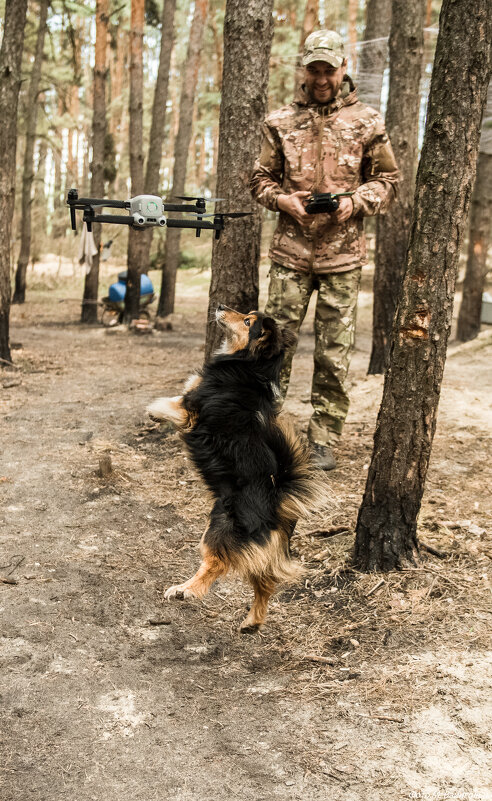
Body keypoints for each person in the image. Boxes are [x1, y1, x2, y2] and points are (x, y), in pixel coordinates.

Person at [250, 30, 399, 470]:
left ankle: (322, 439)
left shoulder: (367, 121)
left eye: (328, 70)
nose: (321, 78)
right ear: (305, 70)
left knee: (334, 354)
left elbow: (388, 181)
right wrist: (283, 201)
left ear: (343, 68)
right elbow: (258, 179)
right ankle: (267, 429)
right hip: (289, 255)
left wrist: (354, 202)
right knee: (273, 347)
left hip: (343, 257)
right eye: (314, 69)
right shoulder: (279, 121)